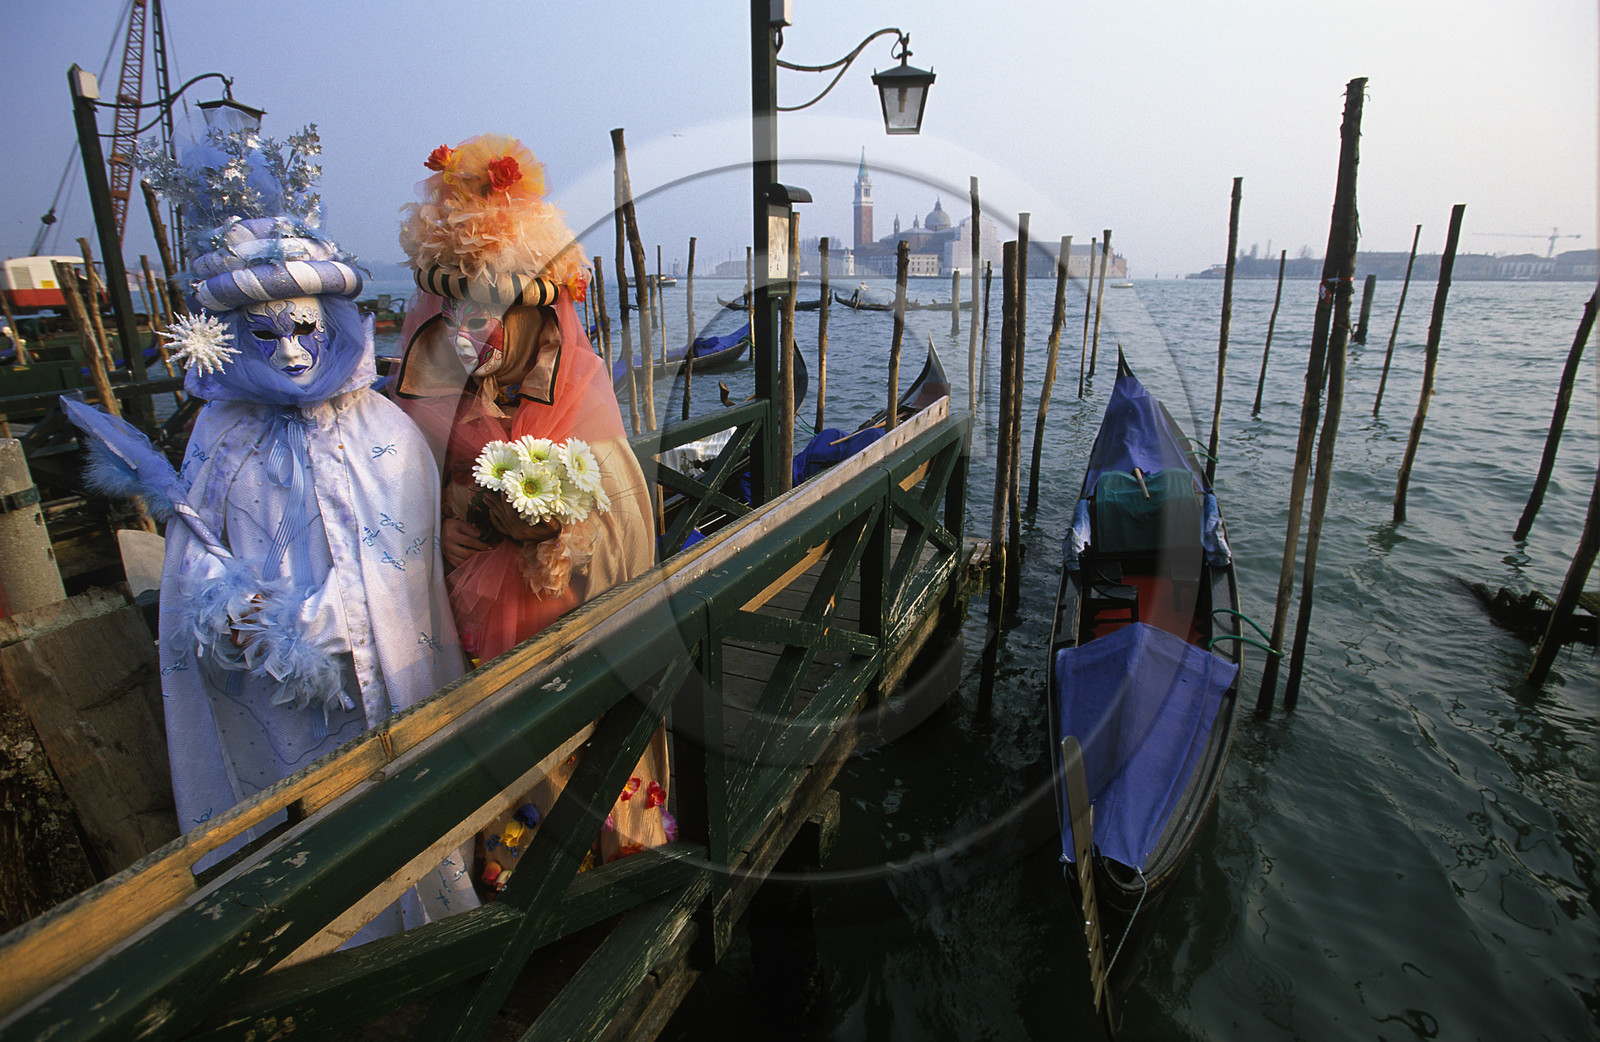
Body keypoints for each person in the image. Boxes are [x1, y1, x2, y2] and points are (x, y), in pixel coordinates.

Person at [134, 124, 476, 940]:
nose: (289, 352)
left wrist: (332, 617)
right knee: (300, 836)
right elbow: (191, 560)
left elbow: (405, 564)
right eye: (264, 335)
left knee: (393, 816)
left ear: (332, 318)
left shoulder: (384, 432)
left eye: (303, 329)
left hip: (380, 680)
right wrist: (229, 608)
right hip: (274, 696)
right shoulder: (218, 433)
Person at [391, 134, 670, 881]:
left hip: (570, 611)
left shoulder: (577, 386)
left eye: (489, 307)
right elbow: (406, 483)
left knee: (583, 739)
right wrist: (464, 514)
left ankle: (598, 870)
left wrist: (547, 525)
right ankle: (516, 885)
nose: (466, 328)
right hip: (468, 612)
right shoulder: (431, 373)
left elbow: (626, 517)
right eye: (453, 304)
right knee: (500, 748)